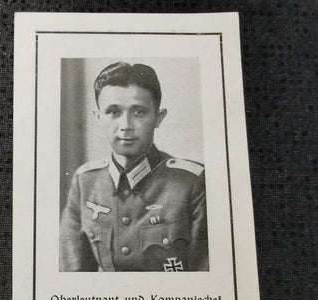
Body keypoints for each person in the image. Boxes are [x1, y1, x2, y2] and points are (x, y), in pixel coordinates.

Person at [60, 62, 208, 272]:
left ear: (158, 117)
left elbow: (206, 282)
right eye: (113, 112)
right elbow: (70, 277)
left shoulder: (192, 183)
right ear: (98, 117)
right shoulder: (85, 182)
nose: (126, 125)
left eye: (138, 112)